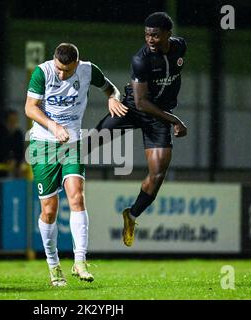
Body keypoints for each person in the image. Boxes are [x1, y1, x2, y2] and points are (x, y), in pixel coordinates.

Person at [25, 43, 128, 286]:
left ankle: (80, 261)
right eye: (59, 69)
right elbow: (30, 108)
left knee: (77, 198)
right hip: (43, 145)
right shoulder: (43, 72)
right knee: (49, 211)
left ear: (77, 64)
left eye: (67, 71)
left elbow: (111, 89)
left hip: (72, 143)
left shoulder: (88, 70)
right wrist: (54, 126)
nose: (61, 75)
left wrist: (113, 99)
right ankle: (54, 266)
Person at [93, 12, 188, 247]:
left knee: (157, 175)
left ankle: (132, 215)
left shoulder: (180, 47)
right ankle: (57, 161)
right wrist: (174, 120)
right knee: (94, 140)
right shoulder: (141, 60)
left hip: (158, 118)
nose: (150, 40)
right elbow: (142, 102)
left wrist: (167, 116)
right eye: (147, 35)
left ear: (168, 34)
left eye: (155, 35)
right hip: (134, 108)